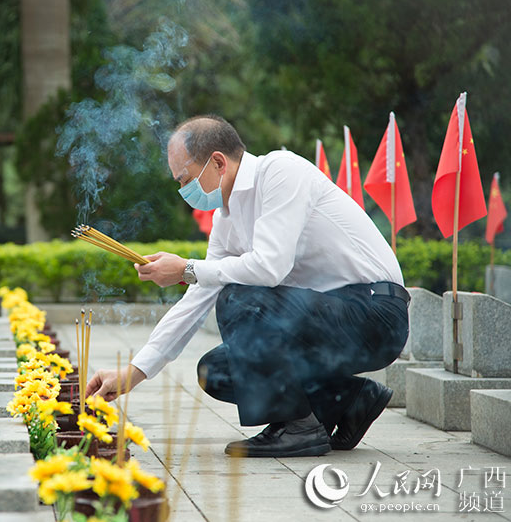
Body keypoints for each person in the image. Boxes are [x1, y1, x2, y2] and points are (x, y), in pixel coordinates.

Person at [85, 115, 409, 458]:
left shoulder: (281, 172)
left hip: (374, 315)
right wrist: (133, 373)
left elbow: (269, 268)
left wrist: (187, 268)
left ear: (218, 162)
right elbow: (194, 303)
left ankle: (298, 427)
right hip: (326, 320)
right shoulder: (226, 220)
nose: (182, 191)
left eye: (185, 179)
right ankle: (349, 400)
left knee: (239, 298)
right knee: (219, 370)